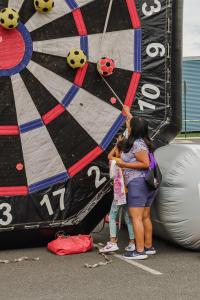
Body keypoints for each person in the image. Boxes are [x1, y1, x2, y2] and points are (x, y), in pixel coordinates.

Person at [115, 106, 158, 260]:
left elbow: (145, 163)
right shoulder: (144, 141)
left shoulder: (137, 144)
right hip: (148, 183)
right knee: (145, 217)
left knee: (136, 218)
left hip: (137, 183)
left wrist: (124, 164)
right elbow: (132, 124)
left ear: (134, 129)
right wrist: (128, 114)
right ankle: (148, 247)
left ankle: (139, 251)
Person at [99, 137, 135, 253]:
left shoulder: (117, 161)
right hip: (129, 192)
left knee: (112, 216)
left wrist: (116, 144)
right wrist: (120, 144)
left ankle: (113, 242)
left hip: (119, 194)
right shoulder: (130, 160)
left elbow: (109, 156)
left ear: (119, 151)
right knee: (128, 218)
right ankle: (132, 242)